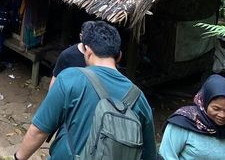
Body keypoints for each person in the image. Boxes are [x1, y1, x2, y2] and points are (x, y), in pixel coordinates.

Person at [13, 21, 156, 160]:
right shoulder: (138, 98)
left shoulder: (70, 79)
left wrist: (19, 157)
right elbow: (148, 154)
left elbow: (39, 131)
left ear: (87, 52)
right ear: (119, 56)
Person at [160, 74, 225, 160]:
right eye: (216, 109)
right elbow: (166, 156)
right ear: (204, 103)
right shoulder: (183, 123)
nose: (222, 115)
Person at [49, 21, 92, 89]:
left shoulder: (99, 56)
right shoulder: (67, 55)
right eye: (88, 39)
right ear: (81, 37)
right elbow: (55, 78)